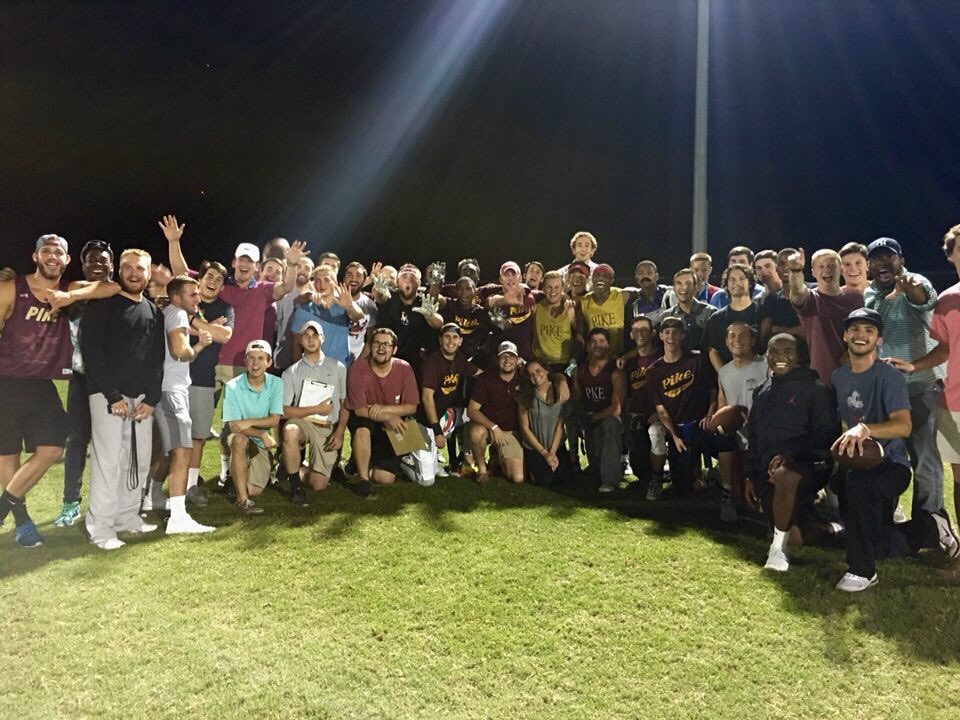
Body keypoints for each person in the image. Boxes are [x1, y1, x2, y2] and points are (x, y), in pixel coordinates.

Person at [830, 308, 957, 592]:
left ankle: (862, 572)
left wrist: (865, 429)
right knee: (873, 539)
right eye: (855, 329)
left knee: (858, 488)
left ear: (879, 340)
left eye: (869, 331)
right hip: (860, 462)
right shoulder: (838, 377)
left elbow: (903, 426)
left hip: (891, 465)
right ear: (845, 335)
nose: (861, 335)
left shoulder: (889, 376)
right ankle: (928, 529)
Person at [80, 249, 166, 550]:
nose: (133, 273)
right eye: (127, 267)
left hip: (141, 398)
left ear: (148, 273)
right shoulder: (103, 304)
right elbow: (91, 351)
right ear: (119, 270)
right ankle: (100, 527)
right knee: (109, 461)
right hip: (108, 396)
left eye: (140, 268)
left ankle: (127, 516)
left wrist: (151, 398)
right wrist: (112, 395)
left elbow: (157, 358)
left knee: (138, 460)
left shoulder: (153, 311)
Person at [888, 223, 960, 578]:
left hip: (945, 399)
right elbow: (945, 346)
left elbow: (919, 294)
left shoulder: (935, 293)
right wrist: (914, 365)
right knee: (959, 480)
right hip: (953, 400)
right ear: (950, 255)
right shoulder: (947, 300)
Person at [0, 235, 76, 547]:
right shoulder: (11, 288)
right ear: (35, 256)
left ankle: (2, 507)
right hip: (5, 381)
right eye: (46, 251)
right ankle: (22, 523)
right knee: (8, 453)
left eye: (59, 252)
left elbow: (108, 287)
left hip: (41, 383)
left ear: (67, 260)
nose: (52, 256)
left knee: (52, 448)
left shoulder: (70, 290)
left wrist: (72, 296)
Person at [863, 237, 945, 518]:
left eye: (890, 256)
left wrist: (911, 290)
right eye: (876, 258)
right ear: (870, 266)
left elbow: (923, 298)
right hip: (890, 392)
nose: (883, 262)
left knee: (925, 459)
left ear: (902, 261)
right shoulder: (869, 294)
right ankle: (889, 519)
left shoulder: (915, 282)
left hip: (923, 386)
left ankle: (929, 524)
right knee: (890, 457)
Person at [744, 333, 838, 572]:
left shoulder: (816, 390)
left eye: (788, 351)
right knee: (796, 535)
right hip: (768, 469)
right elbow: (753, 437)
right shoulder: (762, 390)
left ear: (799, 355)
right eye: (774, 351)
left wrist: (790, 454)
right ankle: (830, 527)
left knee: (785, 476)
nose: (780, 357)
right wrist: (750, 475)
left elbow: (826, 436)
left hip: (807, 464)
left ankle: (777, 550)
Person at [54, 240, 114, 527]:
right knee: (77, 440)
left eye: (103, 260)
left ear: (112, 265)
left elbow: (107, 288)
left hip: (114, 381)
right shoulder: (75, 289)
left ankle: (112, 501)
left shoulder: (117, 291)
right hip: (81, 377)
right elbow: (80, 288)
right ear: (83, 265)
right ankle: (71, 503)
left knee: (111, 444)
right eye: (92, 260)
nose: (98, 264)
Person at [153, 275, 216, 534]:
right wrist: (198, 346)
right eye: (192, 294)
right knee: (182, 450)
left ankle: (152, 498)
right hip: (172, 390)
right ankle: (178, 518)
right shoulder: (178, 314)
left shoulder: (169, 312)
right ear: (177, 298)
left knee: (168, 451)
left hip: (166, 388)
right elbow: (180, 352)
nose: (198, 298)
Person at [645, 317, 717, 499]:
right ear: (661, 336)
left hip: (695, 422)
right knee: (655, 432)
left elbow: (713, 390)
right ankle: (657, 479)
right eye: (667, 332)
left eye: (676, 332)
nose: (671, 337)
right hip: (670, 424)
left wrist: (710, 413)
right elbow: (660, 409)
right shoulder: (653, 370)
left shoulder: (697, 360)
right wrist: (675, 435)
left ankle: (712, 474)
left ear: (683, 335)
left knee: (686, 485)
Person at [280, 321, 349, 505]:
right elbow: (284, 411)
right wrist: (316, 409)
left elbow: (345, 404)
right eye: (306, 336)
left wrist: (340, 431)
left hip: (327, 426)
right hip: (302, 422)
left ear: (322, 339)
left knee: (319, 484)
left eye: (315, 335)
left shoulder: (338, 367)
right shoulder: (290, 372)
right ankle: (295, 486)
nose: (311, 340)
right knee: (290, 430)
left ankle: (294, 467)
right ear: (300, 340)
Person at [183, 261, 234, 506]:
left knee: (198, 436)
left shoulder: (225, 308)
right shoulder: (185, 298)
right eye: (209, 276)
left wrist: (193, 322)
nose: (213, 282)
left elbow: (224, 335)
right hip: (173, 377)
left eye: (218, 279)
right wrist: (208, 329)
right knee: (166, 436)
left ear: (222, 286)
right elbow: (172, 326)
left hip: (203, 378)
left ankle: (191, 486)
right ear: (200, 279)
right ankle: (152, 489)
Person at [407, 323, 481, 486]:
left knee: (472, 414)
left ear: (460, 341)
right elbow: (427, 398)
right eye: (447, 337)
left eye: (455, 337)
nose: (451, 341)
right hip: (418, 422)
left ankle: (464, 458)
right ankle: (404, 459)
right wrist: (437, 431)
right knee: (426, 481)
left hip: (438, 418)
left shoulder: (459, 359)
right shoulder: (432, 362)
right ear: (440, 340)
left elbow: (478, 374)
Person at [345, 327, 419, 490]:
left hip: (392, 424)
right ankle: (364, 479)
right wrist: (387, 416)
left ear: (394, 349)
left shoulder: (404, 368)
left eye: (386, 344)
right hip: (367, 419)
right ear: (370, 347)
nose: (381, 348)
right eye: (377, 343)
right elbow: (359, 410)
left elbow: (412, 407)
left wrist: (386, 411)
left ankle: (363, 460)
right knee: (362, 428)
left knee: (384, 478)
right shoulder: (358, 368)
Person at [222, 340, 284, 514]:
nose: (255, 363)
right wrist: (261, 433)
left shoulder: (277, 383)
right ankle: (242, 501)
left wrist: (248, 422)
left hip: (258, 438)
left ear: (269, 362)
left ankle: (236, 477)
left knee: (254, 490)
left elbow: (274, 420)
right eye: (251, 358)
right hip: (239, 435)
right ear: (245, 360)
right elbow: (234, 426)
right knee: (239, 441)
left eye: (261, 358)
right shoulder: (232, 386)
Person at [714, 322, 768, 522]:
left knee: (758, 504)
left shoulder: (765, 365)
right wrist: (720, 422)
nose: (737, 340)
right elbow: (722, 403)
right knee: (723, 438)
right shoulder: (724, 372)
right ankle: (727, 494)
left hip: (762, 433)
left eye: (743, 336)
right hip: (737, 433)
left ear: (753, 340)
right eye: (732, 336)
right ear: (726, 342)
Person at [786, 248, 863, 387]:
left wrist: (852, 353)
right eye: (821, 266)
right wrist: (796, 270)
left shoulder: (855, 298)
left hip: (856, 374)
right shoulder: (811, 299)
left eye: (832, 266)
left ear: (840, 269)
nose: (827, 270)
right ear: (813, 272)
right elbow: (797, 292)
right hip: (823, 379)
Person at [572, 328, 626, 492]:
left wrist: (593, 418)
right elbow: (576, 399)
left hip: (609, 419)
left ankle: (610, 480)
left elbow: (616, 409)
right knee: (595, 469)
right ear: (588, 346)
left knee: (610, 424)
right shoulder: (580, 370)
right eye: (593, 342)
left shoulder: (616, 371)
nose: (597, 345)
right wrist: (581, 417)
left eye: (602, 341)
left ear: (608, 345)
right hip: (590, 419)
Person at [467, 341, 525, 484]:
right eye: (504, 356)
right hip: (489, 428)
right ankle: (482, 470)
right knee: (476, 433)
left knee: (517, 478)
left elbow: (546, 373)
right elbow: (472, 410)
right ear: (497, 359)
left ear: (517, 360)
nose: (507, 360)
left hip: (510, 432)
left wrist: (561, 380)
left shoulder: (524, 379)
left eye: (511, 357)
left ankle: (496, 459)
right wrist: (494, 427)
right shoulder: (486, 378)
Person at [372, 264, 443, 374]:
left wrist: (430, 315)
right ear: (397, 281)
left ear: (419, 283)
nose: (408, 280)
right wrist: (377, 290)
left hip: (413, 363)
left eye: (413, 277)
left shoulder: (423, 302)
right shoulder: (389, 295)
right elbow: (380, 296)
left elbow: (439, 323)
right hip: (385, 359)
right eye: (404, 276)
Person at [290, 264, 363, 366]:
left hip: (339, 367)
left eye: (327, 280)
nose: (322, 284)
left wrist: (349, 307)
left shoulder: (344, 305)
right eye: (317, 280)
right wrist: (298, 369)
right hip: (312, 367)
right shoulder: (304, 309)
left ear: (335, 283)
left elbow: (358, 316)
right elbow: (296, 344)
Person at [621, 316, 662, 486]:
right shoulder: (629, 362)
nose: (640, 334)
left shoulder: (662, 356)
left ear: (653, 333)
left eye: (645, 329)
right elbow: (628, 395)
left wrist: (659, 413)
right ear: (631, 335)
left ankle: (658, 474)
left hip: (659, 413)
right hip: (637, 413)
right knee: (639, 469)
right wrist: (627, 420)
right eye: (636, 330)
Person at [518, 358, 570, 487]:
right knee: (545, 481)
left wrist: (552, 452)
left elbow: (560, 425)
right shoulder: (525, 395)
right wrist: (544, 453)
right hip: (535, 447)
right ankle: (530, 469)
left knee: (565, 480)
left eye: (538, 371)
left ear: (546, 370)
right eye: (531, 374)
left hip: (556, 446)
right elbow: (525, 428)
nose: (535, 376)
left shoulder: (559, 390)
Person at [704, 264, 762, 372]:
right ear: (726, 285)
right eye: (732, 279)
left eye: (742, 278)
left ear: (750, 283)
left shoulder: (763, 313)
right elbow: (713, 351)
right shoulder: (716, 318)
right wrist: (725, 376)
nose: (737, 283)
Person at [577, 264, 634, 357]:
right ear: (592, 279)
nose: (600, 278)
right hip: (594, 356)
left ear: (612, 281)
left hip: (617, 356)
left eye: (605, 276)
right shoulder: (583, 301)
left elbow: (641, 291)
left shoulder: (622, 295)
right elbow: (580, 332)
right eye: (597, 275)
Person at [273, 255, 315, 371]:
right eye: (298, 267)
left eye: (307, 268)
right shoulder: (282, 296)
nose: (302, 271)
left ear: (312, 273)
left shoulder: (316, 297)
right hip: (283, 359)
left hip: (310, 361)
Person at [532, 270, 578, 372]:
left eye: (557, 287)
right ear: (543, 289)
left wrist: (571, 367)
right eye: (549, 287)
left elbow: (579, 337)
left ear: (562, 288)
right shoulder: (536, 308)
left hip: (564, 365)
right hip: (540, 364)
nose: (553, 291)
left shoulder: (570, 309)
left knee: (565, 379)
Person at [440, 276, 492, 366]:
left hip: (473, 360)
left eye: (468, 288)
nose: (464, 292)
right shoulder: (449, 305)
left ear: (475, 291)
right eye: (460, 288)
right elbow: (436, 299)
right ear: (455, 291)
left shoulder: (482, 313)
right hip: (449, 358)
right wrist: (435, 282)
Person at [662, 268, 715, 353]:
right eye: (679, 283)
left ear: (696, 287)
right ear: (674, 288)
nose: (684, 287)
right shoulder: (666, 316)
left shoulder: (711, 313)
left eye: (688, 283)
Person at [758, 248, 802, 345]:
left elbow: (810, 331)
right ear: (776, 268)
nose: (786, 267)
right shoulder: (770, 299)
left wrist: (778, 329)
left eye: (792, 263)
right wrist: (795, 330)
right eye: (782, 264)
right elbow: (765, 336)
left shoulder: (813, 292)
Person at [342, 261, 379, 364]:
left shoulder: (370, 305)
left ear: (364, 280)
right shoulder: (333, 299)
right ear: (344, 278)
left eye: (358, 276)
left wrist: (360, 363)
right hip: (330, 359)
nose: (353, 279)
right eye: (349, 275)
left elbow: (371, 339)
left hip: (357, 358)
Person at [628, 260, 670, 331]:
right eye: (641, 273)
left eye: (649, 273)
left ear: (657, 276)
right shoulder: (632, 300)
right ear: (636, 278)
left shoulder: (668, 294)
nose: (645, 276)